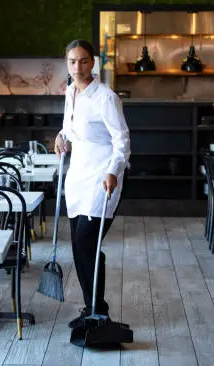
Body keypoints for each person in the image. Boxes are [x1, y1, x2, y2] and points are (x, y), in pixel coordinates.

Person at [54, 39, 131, 328]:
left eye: (83, 61)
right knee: (80, 246)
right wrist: (61, 138)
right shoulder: (70, 92)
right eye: (72, 61)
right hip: (77, 179)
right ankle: (92, 309)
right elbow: (68, 128)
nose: (77, 66)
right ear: (67, 63)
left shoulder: (106, 97)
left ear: (92, 63)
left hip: (103, 180)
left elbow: (122, 140)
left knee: (87, 242)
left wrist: (114, 170)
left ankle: (99, 310)